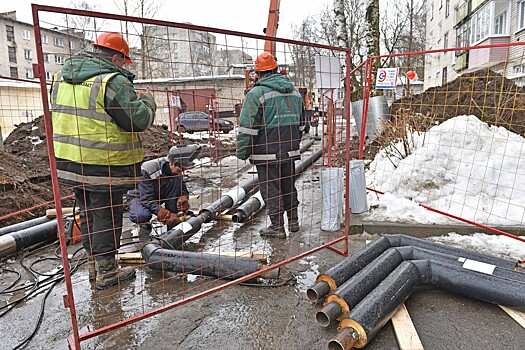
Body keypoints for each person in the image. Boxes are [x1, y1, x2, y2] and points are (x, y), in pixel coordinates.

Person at [50, 32, 157, 290]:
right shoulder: (111, 80)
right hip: (102, 162)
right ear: (117, 57)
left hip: (69, 160)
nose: (123, 66)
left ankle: (94, 266)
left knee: (88, 212)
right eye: (124, 61)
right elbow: (137, 120)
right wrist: (148, 101)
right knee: (107, 215)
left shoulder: (61, 77)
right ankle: (107, 271)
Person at [236, 52, 304, 239]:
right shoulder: (294, 92)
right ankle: (294, 221)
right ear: (276, 69)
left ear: (257, 73)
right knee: (288, 185)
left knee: (271, 189)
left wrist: (242, 152)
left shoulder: (256, 94)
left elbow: (247, 128)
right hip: (289, 150)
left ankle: (277, 227)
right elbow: (302, 124)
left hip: (266, 153)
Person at [127, 146, 191, 232]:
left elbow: (182, 188)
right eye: (179, 170)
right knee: (141, 215)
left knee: (175, 180)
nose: (181, 173)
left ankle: (173, 223)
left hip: (157, 195)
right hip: (139, 197)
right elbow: (146, 199)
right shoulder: (149, 168)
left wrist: (184, 197)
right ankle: (144, 225)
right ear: (171, 163)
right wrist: (163, 213)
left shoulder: (175, 173)